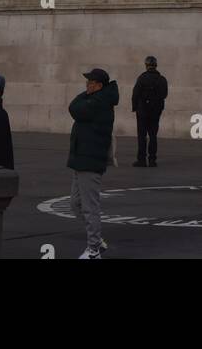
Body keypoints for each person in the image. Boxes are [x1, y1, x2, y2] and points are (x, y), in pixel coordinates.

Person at [67, 67, 119, 260]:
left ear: (99, 85)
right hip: (81, 159)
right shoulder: (97, 98)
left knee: (90, 207)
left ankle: (93, 250)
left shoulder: (99, 103)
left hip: (90, 160)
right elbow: (76, 106)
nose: (86, 85)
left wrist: (89, 94)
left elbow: (74, 107)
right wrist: (90, 92)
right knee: (75, 204)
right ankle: (97, 241)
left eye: (90, 83)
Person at [131, 55, 168, 168]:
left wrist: (134, 107)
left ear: (146, 65)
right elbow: (164, 95)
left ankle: (141, 160)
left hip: (142, 111)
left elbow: (135, 94)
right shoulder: (162, 79)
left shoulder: (142, 78)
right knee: (153, 135)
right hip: (155, 111)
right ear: (156, 66)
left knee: (142, 136)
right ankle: (152, 160)